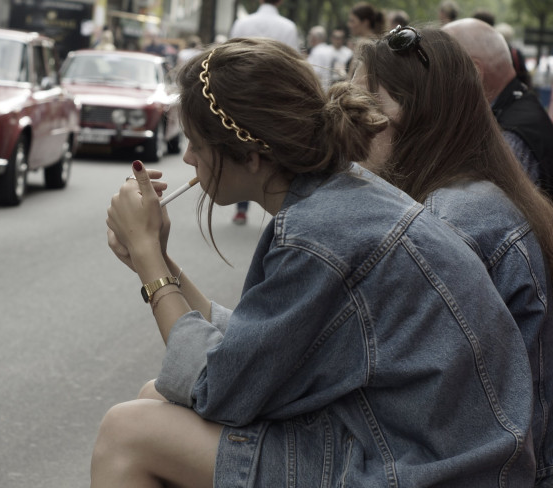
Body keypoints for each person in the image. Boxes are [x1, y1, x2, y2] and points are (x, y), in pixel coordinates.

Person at [95, 37, 536, 487]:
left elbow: (218, 388)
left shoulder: (319, 232)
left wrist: (150, 260)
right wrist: (158, 259)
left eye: (196, 144)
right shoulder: (339, 195)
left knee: (126, 432)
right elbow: (260, 348)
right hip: (429, 449)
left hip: (424, 470)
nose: (188, 158)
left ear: (250, 154)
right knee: (155, 399)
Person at [352, 25, 553, 486]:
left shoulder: (448, 221)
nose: (349, 123)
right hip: (490, 457)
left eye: (366, 108)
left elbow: (369, 373)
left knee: (152, 422)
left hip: (469, 470)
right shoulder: (475, 191)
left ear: (421, 113)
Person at [443, 18, 553, 197]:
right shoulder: (515, 104)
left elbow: (483, 216)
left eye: (441, 68)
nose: (433, 81)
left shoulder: (509, 139)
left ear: (475, 71)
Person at [228, 0, 300, 225]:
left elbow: (227, 58)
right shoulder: (288, 27)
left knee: (242, 143)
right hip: (273, 97)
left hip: (242, 93)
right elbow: (292, 64)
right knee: (276, 150)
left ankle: (241, 208)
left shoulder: (242, 23)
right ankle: (280, 207)